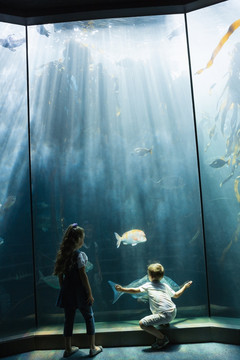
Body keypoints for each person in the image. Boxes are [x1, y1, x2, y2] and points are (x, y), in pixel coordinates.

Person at [115, 263, 192, 350]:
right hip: (173, 312)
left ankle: (162, 338)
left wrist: (122, 289)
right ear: (162, 276)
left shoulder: (148, 285)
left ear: (149, 276)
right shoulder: (165, 285)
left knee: (142, 324)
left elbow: (135, 290)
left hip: (164, 315)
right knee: (162, 309)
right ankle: (165, 322)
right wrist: (185, 286)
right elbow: (176, 295)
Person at [53, 223, 103, 358]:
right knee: (89, 317)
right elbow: (83, 276)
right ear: (78, 239)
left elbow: (60, 275)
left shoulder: (64, 254)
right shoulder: (80, 255)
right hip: (80, 292)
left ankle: (68, 348)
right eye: (83, 238)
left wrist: (64, 288)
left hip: (67, 292)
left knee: (68, 320)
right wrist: (90, 293)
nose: (84, 240)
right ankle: (92, 347)